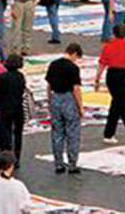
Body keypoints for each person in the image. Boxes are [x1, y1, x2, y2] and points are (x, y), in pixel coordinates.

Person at [95, 23, 125, 144]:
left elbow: (102, 63)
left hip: (111, 76)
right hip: (123, 76)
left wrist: (97, 78)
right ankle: (109, 133)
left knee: (121, 101)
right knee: (118, 104)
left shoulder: (108, 46)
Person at [45, 43, 84, 174]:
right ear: (74, 54)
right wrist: (80, 107)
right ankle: (72, 164)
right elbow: (76, 89)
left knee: (57, 132)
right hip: (68, 99)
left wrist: (50, 101)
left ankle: (58, 163)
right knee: (72, 133)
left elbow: (49, 85)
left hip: (55, 98)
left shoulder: (53, 64)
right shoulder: (73, 68)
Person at [0, 54, 27, 159]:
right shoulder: (20, 76)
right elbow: (22, 91)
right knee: (18, 133)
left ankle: (6, 153)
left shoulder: (3, 77)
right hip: (18, 107)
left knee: (5, 132)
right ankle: (17, 155)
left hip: (5, 107)